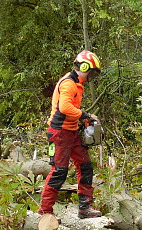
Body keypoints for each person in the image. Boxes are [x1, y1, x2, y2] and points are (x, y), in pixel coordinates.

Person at [38, 50, 103, 219]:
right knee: (59, 171)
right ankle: (45, 212)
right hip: (59, 133)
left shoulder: (77, 84)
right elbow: (65, 108)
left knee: (85, 166)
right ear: (85, 67)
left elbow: (71, 110)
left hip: (71, 132)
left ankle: (85, 207)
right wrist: (85, 115)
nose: (92, 77)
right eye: (93, 73)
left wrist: (84, 120)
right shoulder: (68, 83)